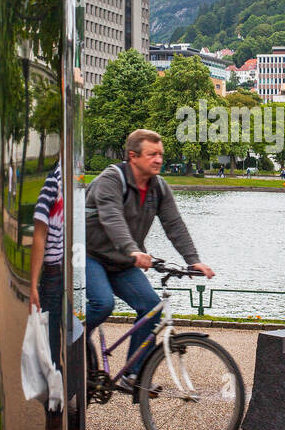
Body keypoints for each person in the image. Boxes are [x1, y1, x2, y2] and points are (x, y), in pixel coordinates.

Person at [85, 129, 214, 397]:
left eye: (161, 154)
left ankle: (132, 375)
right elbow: (111, 218)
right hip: (90, 255)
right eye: (152, 154)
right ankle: (72, 338)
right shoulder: (111, 179)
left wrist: (193, 261)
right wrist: (133, 250)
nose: (158, 160)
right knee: (103, 303)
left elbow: (174, 225)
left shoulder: (158, 187)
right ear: (133, 156)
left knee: (151, 307)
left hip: (123, 261)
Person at [30, 159, 66, 430]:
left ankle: (70, 402)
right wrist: (33, 283)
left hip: (73, 272)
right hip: (54, 274)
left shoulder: (75, 178)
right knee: (52, 350)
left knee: (75, 341)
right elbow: (39, 234)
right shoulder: (53, 182)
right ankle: (54, 415)